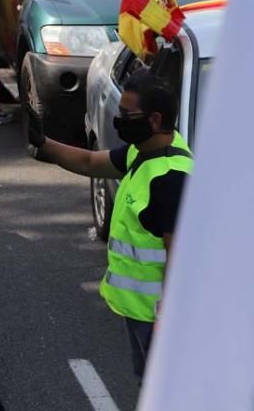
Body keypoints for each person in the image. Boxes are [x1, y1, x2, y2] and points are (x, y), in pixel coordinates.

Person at [28, 71, 191, 381]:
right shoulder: (143, 152)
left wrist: (167, 321)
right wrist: (44, 144)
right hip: (139, 312)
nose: (119, 119)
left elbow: (182, 257)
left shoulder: (170, 178)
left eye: (127, 114)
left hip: (155, 317)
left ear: (154, 120)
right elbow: (91, 163)